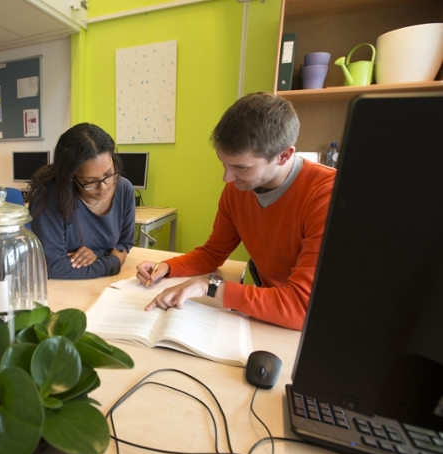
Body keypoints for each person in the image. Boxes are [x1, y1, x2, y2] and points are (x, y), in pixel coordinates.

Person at [136, 93, 336, 330]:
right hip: (270, 313)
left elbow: (303, 307)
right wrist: (168, 267)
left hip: (312, 324)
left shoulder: (326, 196)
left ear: (284, 155)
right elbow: (213, 253)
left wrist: (209, 286)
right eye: (224, 163)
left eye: (241, 167)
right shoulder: (237, 188)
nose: (227, 178)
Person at [27, 123, 136, 279]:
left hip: (103, 284)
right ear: (70, 177)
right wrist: (112, 263)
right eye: (91, 181)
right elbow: (53, 266)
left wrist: (97, 255)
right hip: (62, 288)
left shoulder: (124, 188)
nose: (104, 186)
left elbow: (123, 244)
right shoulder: (48, 197)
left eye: (109, 173)